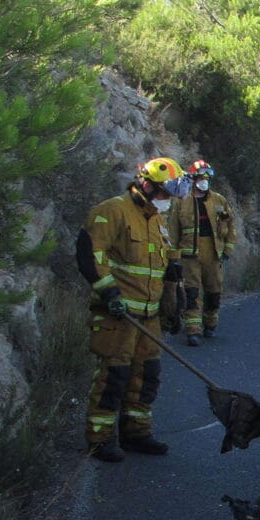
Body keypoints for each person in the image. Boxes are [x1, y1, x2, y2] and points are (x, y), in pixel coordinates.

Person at [76, 157, 193, 462]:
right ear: (145, 184)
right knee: (114, 376)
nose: (167, 200)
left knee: (146, 376)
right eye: (163, 193)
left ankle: (136, 433)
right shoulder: (112, 211)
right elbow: (91, 256)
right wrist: (109, 293)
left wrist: (173, 299)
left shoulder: (156, 218)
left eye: (170, 195)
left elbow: (161, 263)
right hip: (118, 315)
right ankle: (99, 440)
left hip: (148, 317)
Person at [166, 159, 237, 346]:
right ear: (194, 178)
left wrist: (228, 249)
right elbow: (173, 230)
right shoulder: (182, 201)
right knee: (191, 293)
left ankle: (211, 323)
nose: (204, 180)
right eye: (201, 177)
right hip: (189, 256)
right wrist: (173, 257)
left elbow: (230, 226)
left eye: (207, 177)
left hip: (213, 254)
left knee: (214, 292)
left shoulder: (219, 200)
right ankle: (193, 330)